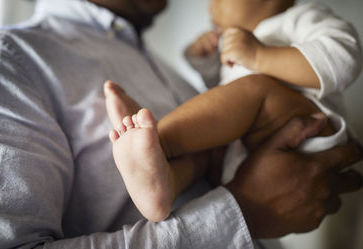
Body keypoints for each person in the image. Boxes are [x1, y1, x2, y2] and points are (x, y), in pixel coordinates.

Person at [0, 0, 362, 249]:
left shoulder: (164, 67)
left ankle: (159, 148)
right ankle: (162, 165)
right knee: (207, 148)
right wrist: (243, 214)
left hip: (303, 128)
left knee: (215, 137)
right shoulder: (6, 60)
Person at [107, 0, 362, 222]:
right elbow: (228, 99)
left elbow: (343, 58)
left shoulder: (300, 18)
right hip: (246, 151)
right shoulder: (246, 43)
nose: (210, 6)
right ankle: (163, 186)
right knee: (207, 149)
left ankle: (158, 141)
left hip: (310, 131)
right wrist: (207, 63)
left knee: (253, 90)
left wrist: (260, 56)